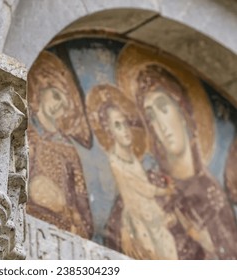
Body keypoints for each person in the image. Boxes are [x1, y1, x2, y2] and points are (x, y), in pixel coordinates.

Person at [135, 64, 237, 259]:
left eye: (163, 108)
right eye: (151, 116)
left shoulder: (214, 196)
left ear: (182, 111)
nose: (161, 125)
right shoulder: (147, 184)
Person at [89, 84, 177, 259]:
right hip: (138, 222)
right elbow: (143, 188)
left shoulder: (136, 159)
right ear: (109, 131)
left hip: (154, 217)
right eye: (117, 125)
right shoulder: (114, 162)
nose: (125, 131)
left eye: (126, 124)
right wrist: (165, 190)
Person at [27, 51, 93, 239]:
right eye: (56, 96)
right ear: (41, 88)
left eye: (65, 105)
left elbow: (80, 196)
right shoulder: (25, 127)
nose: (59, 107)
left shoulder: (67, 148)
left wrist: (80, 226)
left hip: (62, 225)